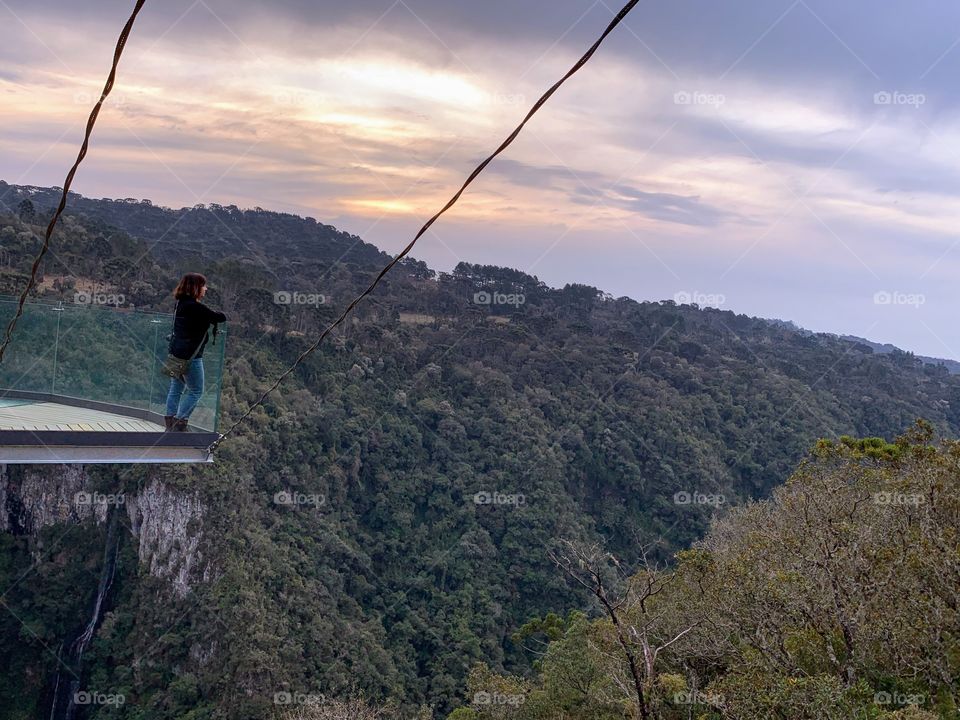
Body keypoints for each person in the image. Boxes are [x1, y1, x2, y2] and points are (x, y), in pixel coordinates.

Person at [165, 273, 226, 431]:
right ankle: (180, 421)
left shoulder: (179, 304)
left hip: (175, 352)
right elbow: (219, 317)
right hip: (191, 357)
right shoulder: (195, 307)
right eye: (204, 285)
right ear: (196, 287)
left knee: (175, 388)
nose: (206, 289)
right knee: (196, 390)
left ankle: (170, 420)